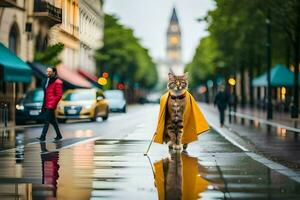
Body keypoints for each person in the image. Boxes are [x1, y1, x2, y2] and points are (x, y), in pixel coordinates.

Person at [37, 67, 63, 141]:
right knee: (53, 121)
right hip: (46, 103)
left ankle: (43, 136)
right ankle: (59, 135)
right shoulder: (47, 80)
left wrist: (52, 104)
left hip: (51, 104)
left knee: (46, 120)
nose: (48, 73)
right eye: (47, 71)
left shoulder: (58, 82)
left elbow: (59, 95)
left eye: (50, 71)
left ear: (54, 72)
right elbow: (45, 92)